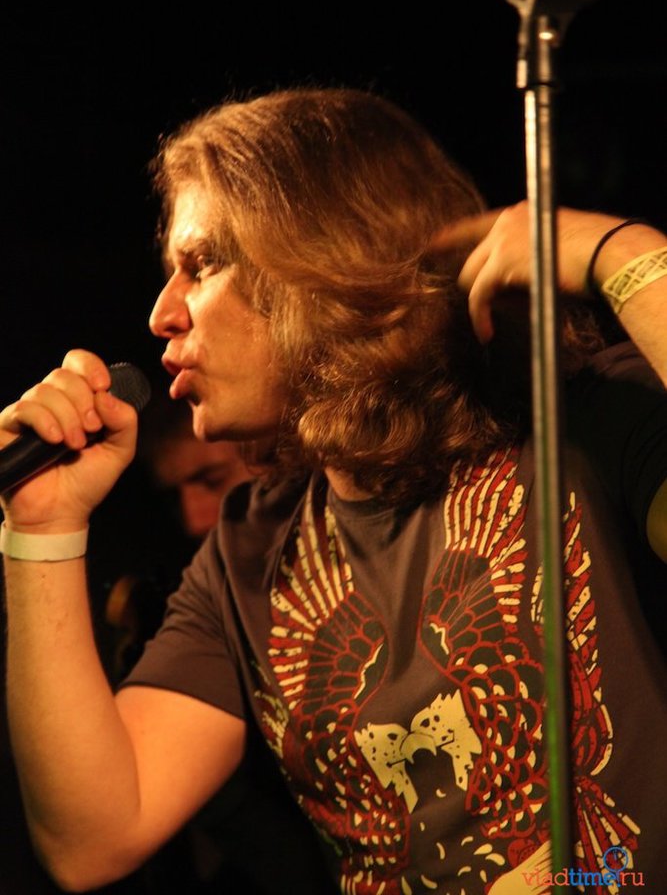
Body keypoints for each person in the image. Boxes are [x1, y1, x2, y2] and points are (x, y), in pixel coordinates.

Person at [0, 88, 665, 895]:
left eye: (201, 265)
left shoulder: (583, 423)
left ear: (324, 260)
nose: (161, 314)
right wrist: (42, 527)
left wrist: (630, 259)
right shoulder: (250, 548)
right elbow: (93, 838)